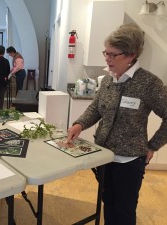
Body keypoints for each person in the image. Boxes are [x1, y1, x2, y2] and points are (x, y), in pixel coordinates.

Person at [66, 23, 167, 225]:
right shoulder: (107, 80)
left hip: (129, 161)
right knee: (108, 204)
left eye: (113, 54)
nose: (107, 58)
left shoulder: (149, 83)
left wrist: (153, 145)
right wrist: (79, 124)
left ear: (131, 55)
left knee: (124, 210)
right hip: (103, 155)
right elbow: (95, 108)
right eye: (106, 53)